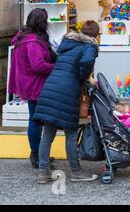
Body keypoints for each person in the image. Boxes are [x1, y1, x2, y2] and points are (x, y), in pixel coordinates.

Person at [34, 21, 100, 184]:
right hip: (68, 89)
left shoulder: (68, 42)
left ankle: (43, 172)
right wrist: (83, 77)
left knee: (47, 134)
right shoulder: (89, 46)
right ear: (95, 35)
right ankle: (76, 172)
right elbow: (85, 63)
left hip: (51, 86)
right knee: (70, 133)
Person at [8, 8, 56, 168]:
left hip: (28, 83)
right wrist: (56, 67)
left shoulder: (23, 37)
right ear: (42, 22)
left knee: (35, 119)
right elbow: (38, 65)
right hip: (35, 84)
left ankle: (38, 154)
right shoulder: (33, 42)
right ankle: (37, 155)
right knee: (36, 121)